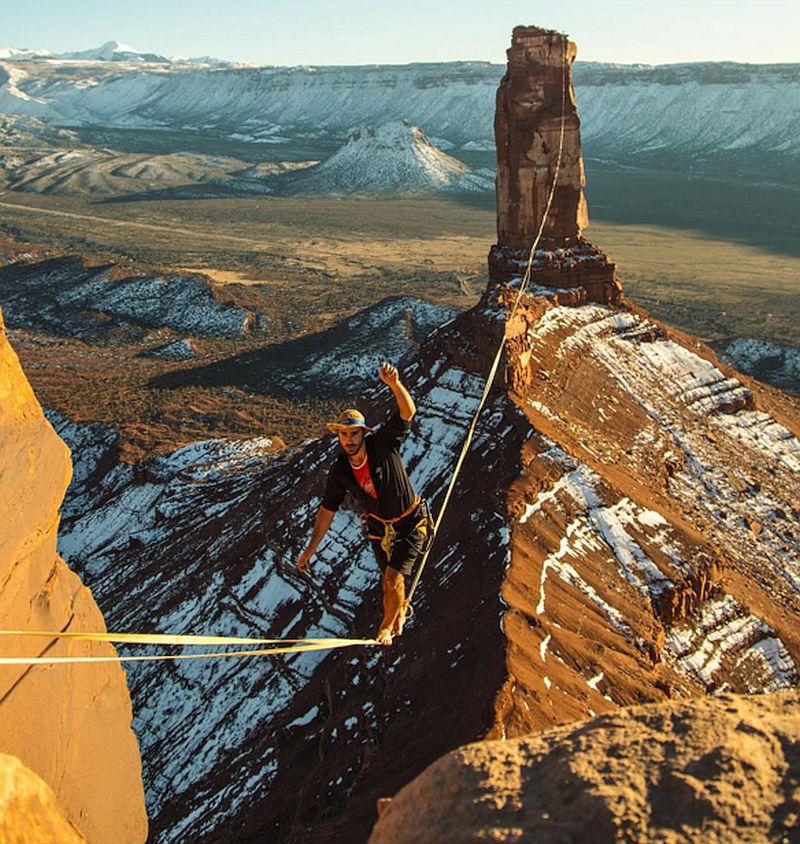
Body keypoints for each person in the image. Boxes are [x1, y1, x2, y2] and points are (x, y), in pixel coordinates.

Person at [297, 362, 427, 646]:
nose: (349, 439)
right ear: (339, 437)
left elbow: (408, 412)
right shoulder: (341, 470)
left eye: (354, 433)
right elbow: (326, 510)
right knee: (390, 583)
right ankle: (400, 612)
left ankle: (385, 629)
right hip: (379, 528)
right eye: (344, 434)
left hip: (410, 522)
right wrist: (311, 548)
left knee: (392, 580)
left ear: (363, 433)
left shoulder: (383, 444)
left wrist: (394, 385)